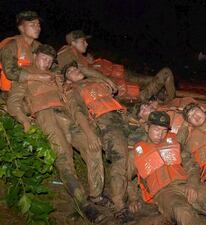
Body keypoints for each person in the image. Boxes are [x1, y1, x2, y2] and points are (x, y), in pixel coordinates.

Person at [6, 44, 105, 223]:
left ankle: (96, 195)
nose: (47, 63)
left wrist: (88, 129)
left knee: (92, 146)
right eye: (44, 58)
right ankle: (84, 204)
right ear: (35, 56)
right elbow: (13, 103)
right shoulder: (26, 74)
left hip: (68, 115)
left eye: (51, 61)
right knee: (63, 158)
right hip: (46, 116)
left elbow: (70, 101)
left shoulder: (56, 77)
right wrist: (25, 121)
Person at [62, 61, 132, 221]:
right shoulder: (74, 89)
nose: (75, 70)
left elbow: (109, 88)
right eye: (70, 71)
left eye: (76, 68)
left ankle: (123, 197)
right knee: (120, 157)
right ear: (67, 80)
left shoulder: (95, 82)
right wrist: (90, 134)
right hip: (104, 122)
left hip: (118, 119)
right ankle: (119, 205)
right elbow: (78, 112)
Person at [58, 30, 175, 102]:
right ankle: (169, 100)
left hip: (123, 83)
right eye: (83, 41)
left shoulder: (80, 56)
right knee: (164, 74)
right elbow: (79, 70)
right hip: (126, 93)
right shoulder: (67, 51)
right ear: (73, 43)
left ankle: (166, 97)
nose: (87, 44)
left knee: (154, 80)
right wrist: (106, 79)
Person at [0, 10, 53, 94]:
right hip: (11, 92)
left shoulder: (40, 47)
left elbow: (54, 65)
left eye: (38, 25)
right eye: (32, 25)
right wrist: (38, 77)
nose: (38, 28)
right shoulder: (11, 46)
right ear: (21, 28)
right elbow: (10, 72)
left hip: (34, 90)